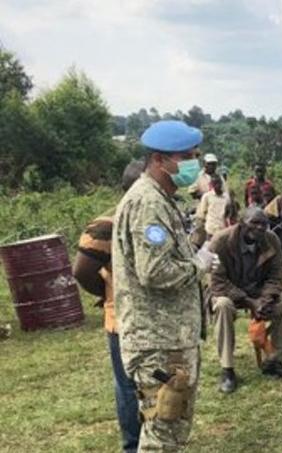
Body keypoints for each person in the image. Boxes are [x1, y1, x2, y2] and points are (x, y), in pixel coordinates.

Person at [112, 120, 212, 451]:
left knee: (169, 429)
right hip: (158, 341)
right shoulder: (148, 203)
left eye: (195, 155)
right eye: (187, 157)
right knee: (163, 432)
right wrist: (198, 265)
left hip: (169, 339)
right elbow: (154, 271)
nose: (194, 163)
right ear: (159, 160)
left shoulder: (160, 199)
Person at [73, 160, 143, 453]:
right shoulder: (106, 226)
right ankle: (133, 446)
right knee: (127, 385)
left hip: (155, 321)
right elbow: (82, 271)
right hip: (122, 320)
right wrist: (108, 293)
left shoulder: (152, 222)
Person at [210, 207, 282, 393]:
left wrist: (265, 299)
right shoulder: (221, 241)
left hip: (259, 291)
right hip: (229, 292)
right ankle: (227, 369)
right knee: (223, 306)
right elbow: (218, 281)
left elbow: (277, 275)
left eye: (264, 224)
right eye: (254, 223)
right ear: (241, 223)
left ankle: (276, 360)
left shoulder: (271, 239)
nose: (259, 228)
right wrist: (250, 302)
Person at [194, 175, 233, 246]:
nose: (217, 186)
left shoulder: (226, 197)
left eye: (218, 183)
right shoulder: (207, 196)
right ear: (212, 185)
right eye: (215, 184)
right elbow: (203, 212)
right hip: (211, 228)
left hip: (222, 228)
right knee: (210, 248)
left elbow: (228, 211)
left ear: (221, 184)